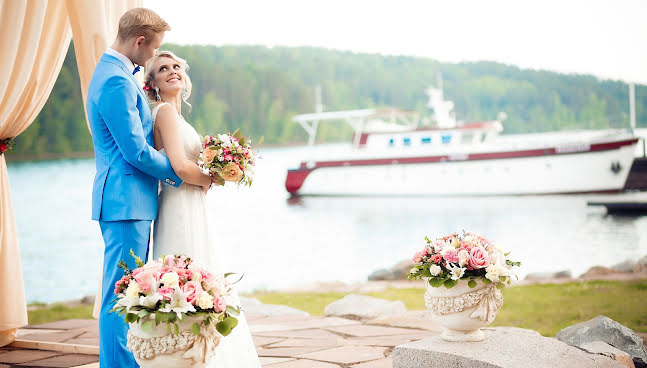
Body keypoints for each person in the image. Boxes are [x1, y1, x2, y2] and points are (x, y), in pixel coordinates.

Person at [86, 8, 214, 367]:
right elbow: (136, 151)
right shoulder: (114, 80)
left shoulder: (116, 75)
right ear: (140, 42)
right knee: (120, 295)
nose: (151, 59)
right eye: (153, 50)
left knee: (128, 291)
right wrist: (180, 174)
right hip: (125, 202)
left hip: (132, 201)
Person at [144, 50, 261, 367]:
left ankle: (205, 352)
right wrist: (213, 177)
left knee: (203, 270)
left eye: (176, 67)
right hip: (178, 202)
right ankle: (183, 355)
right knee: (186, 268)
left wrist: (221, 169)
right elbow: (180, 168)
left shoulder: (180, 117)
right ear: (152, 82)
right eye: (163, 68)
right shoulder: (164, 113)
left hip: (193, 204)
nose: (172, 71)